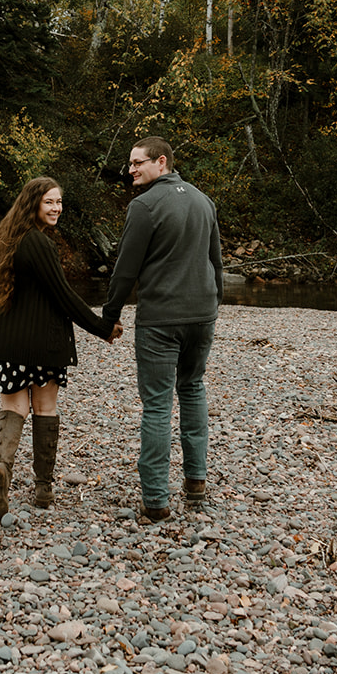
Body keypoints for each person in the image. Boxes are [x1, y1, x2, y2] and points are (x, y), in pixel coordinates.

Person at [0, 177, 116, 523]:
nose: (56, 209)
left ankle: (1, 475)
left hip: (6, 342)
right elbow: (64, 296)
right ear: (34, 203)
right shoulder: (41, 244)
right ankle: (43, 489)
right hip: (43, 343)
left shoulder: (8, 239)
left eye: (59, 203)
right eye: (49, 202)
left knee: (14, 407)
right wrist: (102, 328)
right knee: (45, 407)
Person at [101, 136, 223, 523]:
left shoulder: (145, 206)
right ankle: (196, 483)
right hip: (202, 314)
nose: (132, 170)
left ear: (162, 162)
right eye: (131, 164)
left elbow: (126, 268)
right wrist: (212, 304)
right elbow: (215, 263)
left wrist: (110, 314)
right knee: (192, 388)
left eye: (138, 163)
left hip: (161, 320)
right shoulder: (204, 201)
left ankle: (155, 500)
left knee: (157, 403)